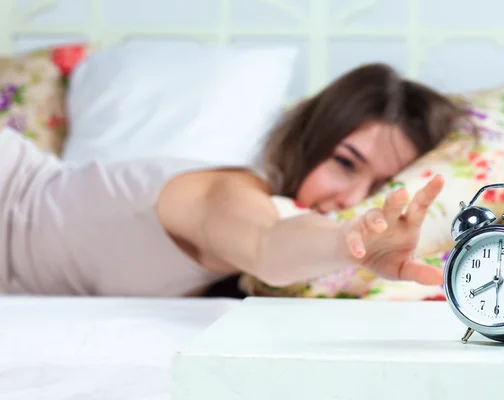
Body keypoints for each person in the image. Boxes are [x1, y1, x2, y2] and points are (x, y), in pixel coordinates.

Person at [0, 63, 466, 297]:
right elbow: (268, 243)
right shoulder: (228, 193)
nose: (352, 196)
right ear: (309, 137)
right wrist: (346, 243)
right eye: (345, 162)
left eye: (379, 184)